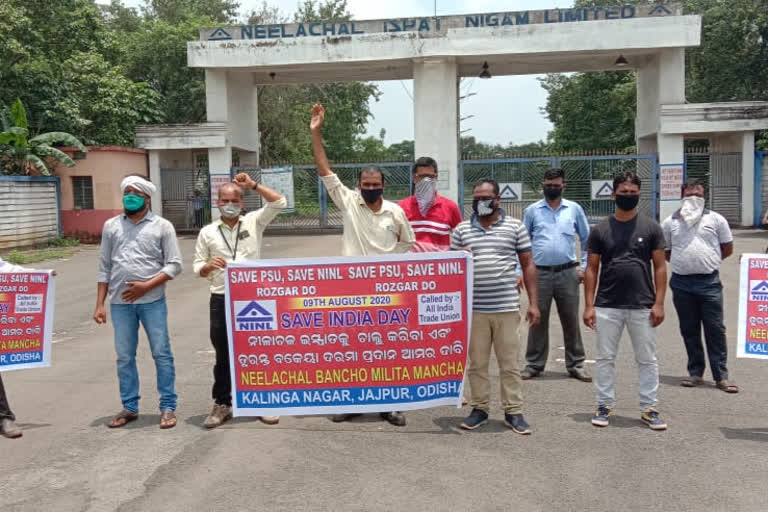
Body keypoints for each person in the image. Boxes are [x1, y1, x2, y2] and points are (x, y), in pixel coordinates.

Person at [310, 103, 415, 426]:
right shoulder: (349, 202)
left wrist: (391, 271)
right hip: (351, 289)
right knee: (352, 348)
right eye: (365, 185)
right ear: (359, 186)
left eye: (375, 184)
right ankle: (351, 401)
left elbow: (407, 245)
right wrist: (316, 132)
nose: (370, 189)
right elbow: (325, 170)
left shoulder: (396, 212)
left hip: (387, 291)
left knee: (388, 348)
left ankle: (391, 403)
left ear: (383, 185)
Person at [193, 174, 287, 428]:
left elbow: (280, 202)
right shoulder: (207, 232)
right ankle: (222, 404)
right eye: (225, 200)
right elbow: (197, 266)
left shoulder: (254, 222)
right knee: (223, 354)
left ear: (242, 202)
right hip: (221, 299)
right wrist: (207, 267)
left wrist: (254, 185)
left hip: (253, 299)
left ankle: (263, 402)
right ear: (218, 202)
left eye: (235, 200)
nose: (230, 204)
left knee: (257, 352)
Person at [451, 179, 541, 434]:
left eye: (485, 197)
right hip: (474, 310)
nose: (481, 202)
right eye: (476, 197)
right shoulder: (461, 230)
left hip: (506, 307)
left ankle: (513, 411)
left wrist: (534, 303)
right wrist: (460, 257)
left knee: (509, 363)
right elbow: (451, 270)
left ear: (497, 199)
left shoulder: (515, 227)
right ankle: (479, 408)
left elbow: (528, 264)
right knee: (477, 363)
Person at [94, 174, 183, 430]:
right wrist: (99, 304)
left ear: (147, 197)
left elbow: (175, 265)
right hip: (120, 304)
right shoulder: (111, 226)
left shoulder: (162, 226)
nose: (129, 197)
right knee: (124, 356)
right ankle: (129, 407)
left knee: (161, 353)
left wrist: (146, 286)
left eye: (135, 193)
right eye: (127, 192)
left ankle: (167, 406)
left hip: (152, 301)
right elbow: (104, 267)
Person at [583, 171, 668, 431]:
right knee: (606, 358)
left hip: (643, 303)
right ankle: (604, 404)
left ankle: (649, 408)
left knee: (647, 359)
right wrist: (589, 305)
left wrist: (659, 302)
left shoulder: (651, 227)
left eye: (632, 193)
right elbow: (591, 269)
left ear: (639, 195)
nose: (627, 196)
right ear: (613, 194)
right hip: (608, 303)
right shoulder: (600, 229)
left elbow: (660, 268)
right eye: (623, 192)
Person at [661, 179, 737, 393]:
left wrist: (709, 261)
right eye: (690, 193)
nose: (694, 197)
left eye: (698, 194)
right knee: (689, 329)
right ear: (682, 195)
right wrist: (685, 262)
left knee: (715, 329)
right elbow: (666, 251)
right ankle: (695, 373)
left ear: (705, 197)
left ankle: (721, 376)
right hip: (682, 283)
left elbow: (727, 248)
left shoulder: (716, 219)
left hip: (709, 282)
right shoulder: (670, 222)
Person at [522, 168, 591, 382]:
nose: (552, 187)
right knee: (537, 320)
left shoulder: (574, 209)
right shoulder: (532, 211)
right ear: (543, 184)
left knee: (570, 319)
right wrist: (520, 272)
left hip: (568, 272)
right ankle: (534, 364)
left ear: (564, 185)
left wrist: (585, 267)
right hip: (539, 273)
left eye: (556, 184)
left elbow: (587, 240)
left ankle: (576, 364)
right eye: (548, 184)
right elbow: (523, 245)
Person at [398, 157, 463, 252]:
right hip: (411, 265)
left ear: (436, 178)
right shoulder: (401, 207)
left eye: (430, 177)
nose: (427, 180)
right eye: (422, 176)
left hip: (441, 264)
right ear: (415, 178)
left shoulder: (450, 207)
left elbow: (461, 237)